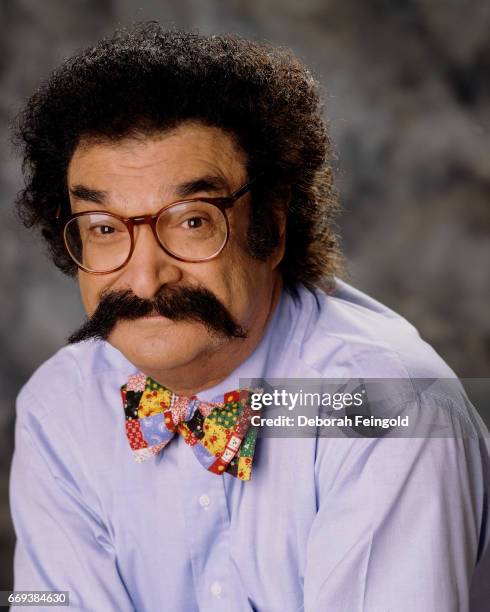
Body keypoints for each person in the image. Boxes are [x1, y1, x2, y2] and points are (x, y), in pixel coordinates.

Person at [10, 23, 490, 611]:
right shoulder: (58, 408)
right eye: (105, 229)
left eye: (191, 221)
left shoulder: (390, 405)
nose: (144, 277)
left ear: (273, 226)